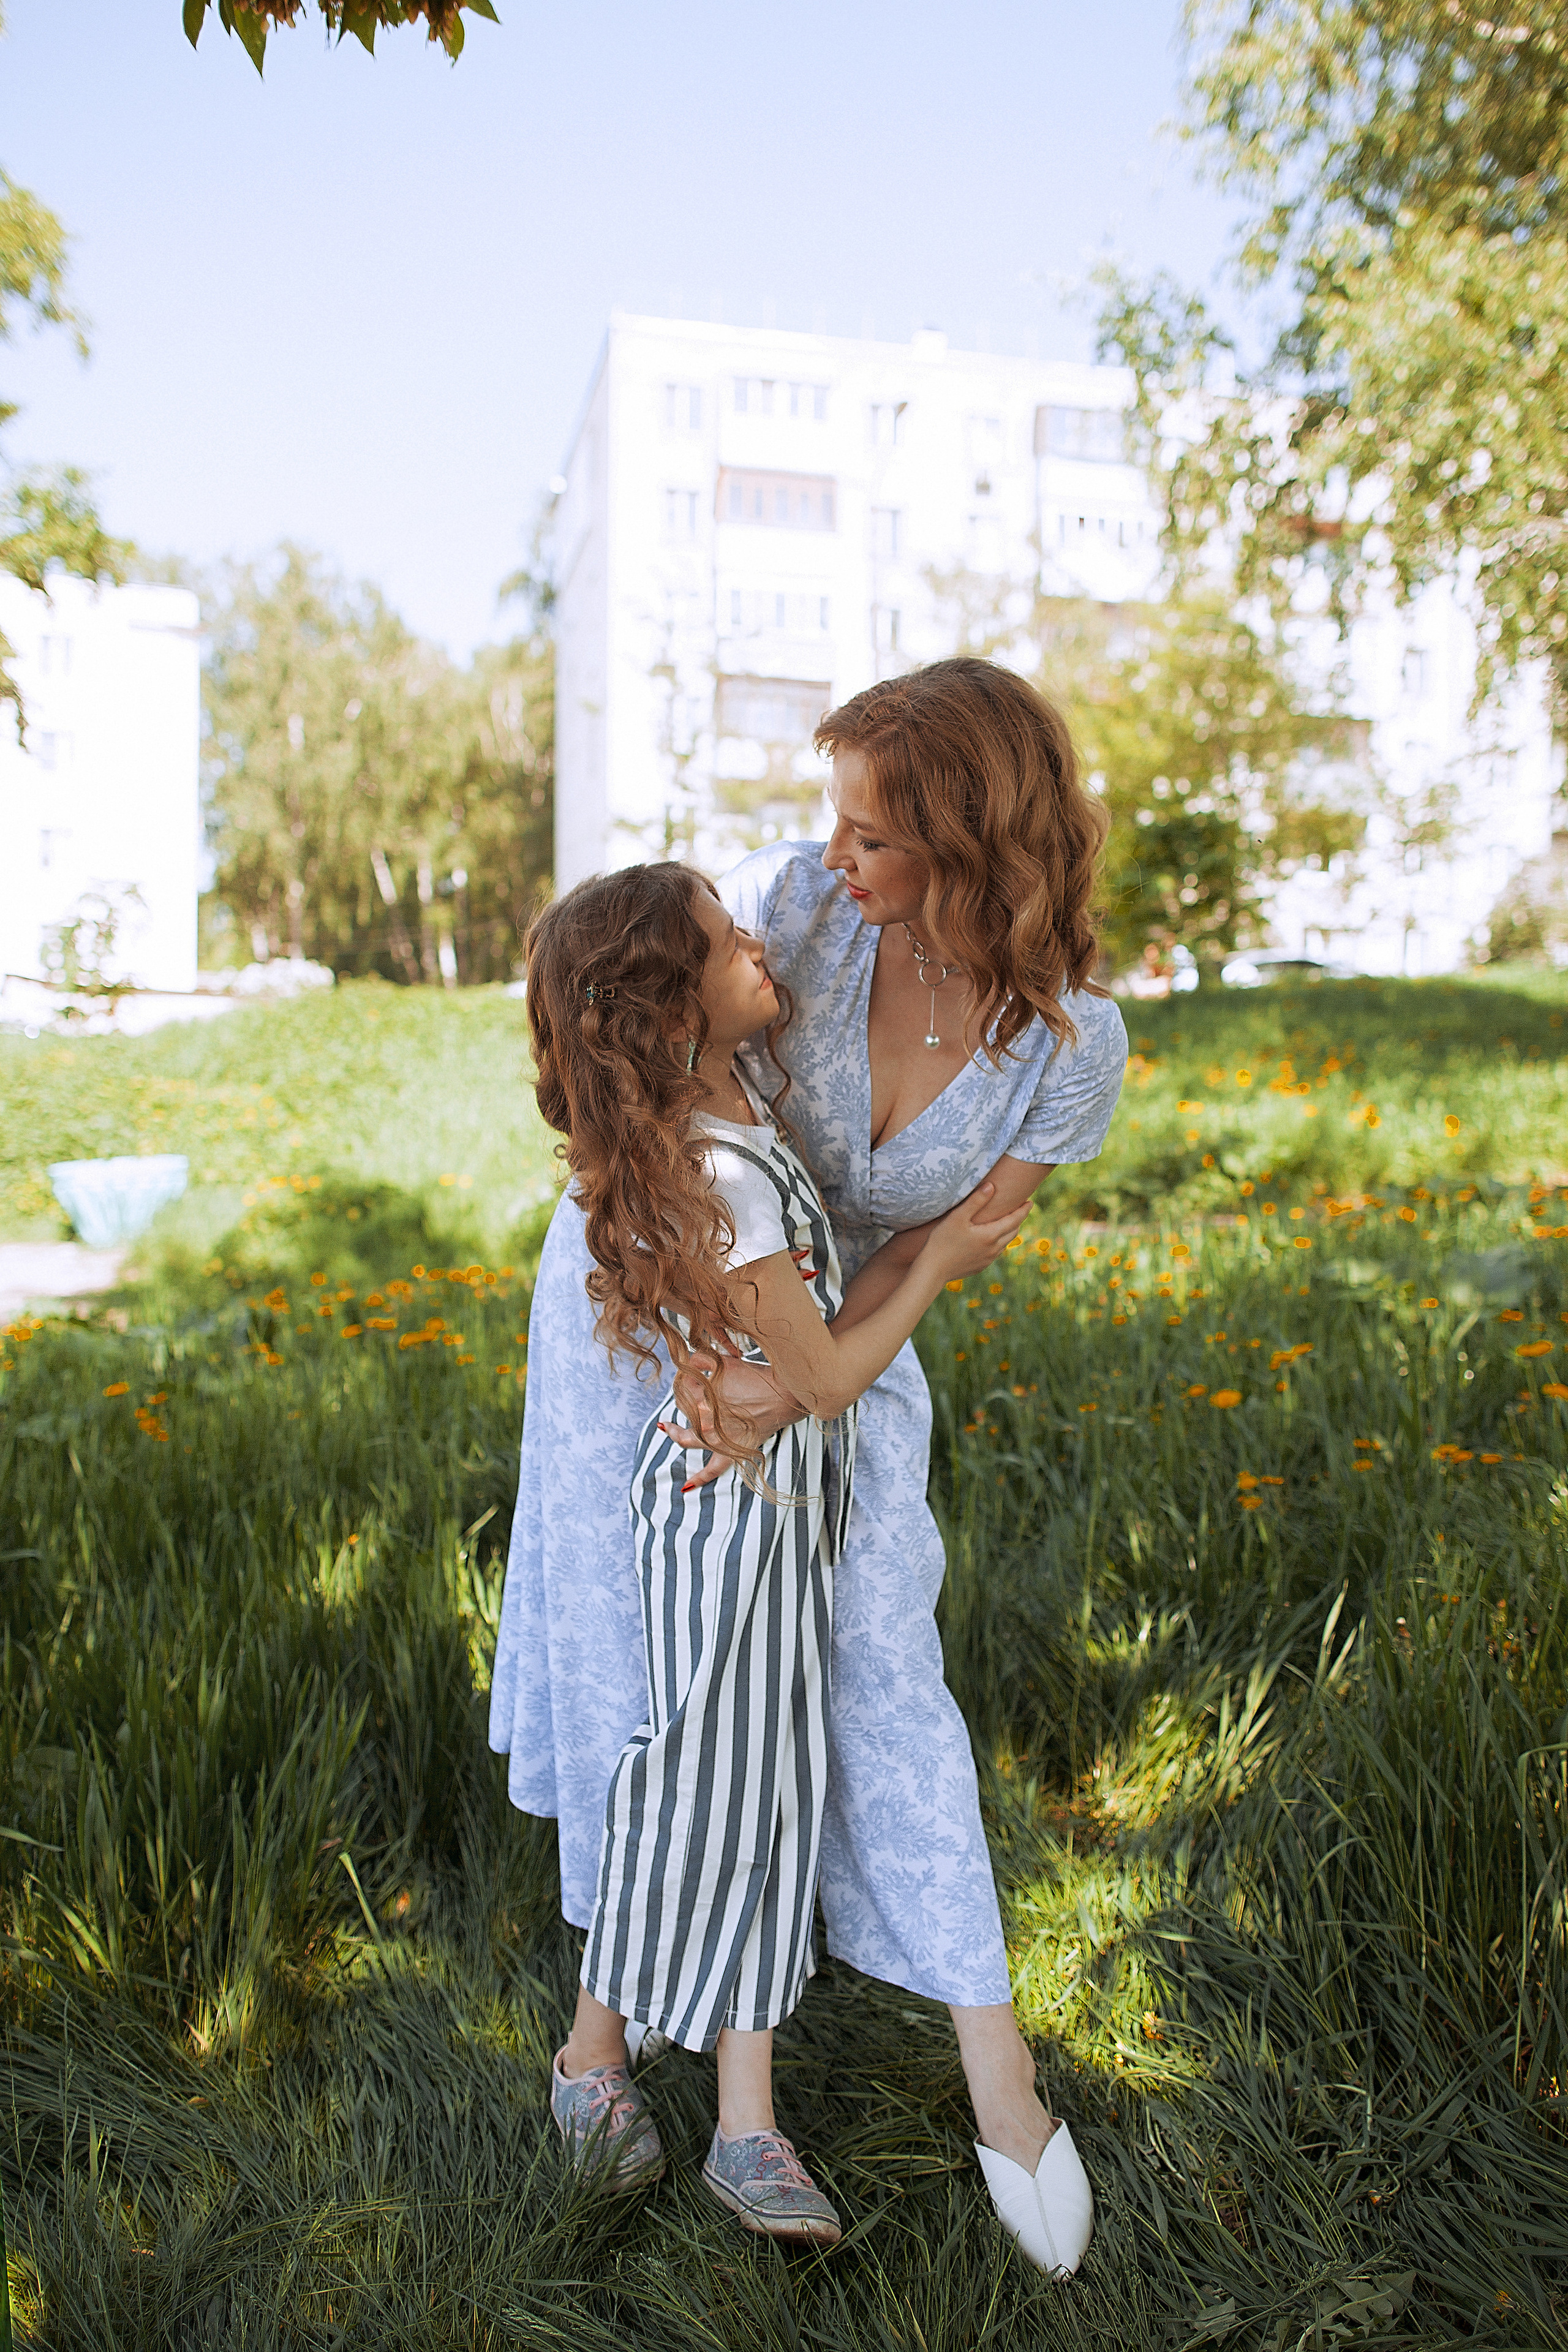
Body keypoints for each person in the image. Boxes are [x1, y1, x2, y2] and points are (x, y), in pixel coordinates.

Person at [491, 657, 1125, 2278]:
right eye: (836, 824)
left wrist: (798, 1383)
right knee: (655, 1669)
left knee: (878, 1672)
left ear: (973, 846)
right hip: (659, 1314)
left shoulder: (1069, 1047)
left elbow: (937, 1241)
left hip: (835, 1349)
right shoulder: (798, 912)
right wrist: (722, 1358)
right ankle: (615, 2026)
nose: (832, 860)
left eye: (875, 837)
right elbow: (657, 1094)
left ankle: (997, 2080)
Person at [522, 861, 1030, 2245]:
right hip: (729, 1514)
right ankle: (598, 2061)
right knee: (703, 1780)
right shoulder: (719, 1175)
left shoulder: (733, 1107)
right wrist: (939, 1256)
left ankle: (741, 2120)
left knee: (769, 1785)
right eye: (724, 939)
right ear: (672, 1011)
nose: (759, 938)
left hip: (781, 1505)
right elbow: (824, 1375)